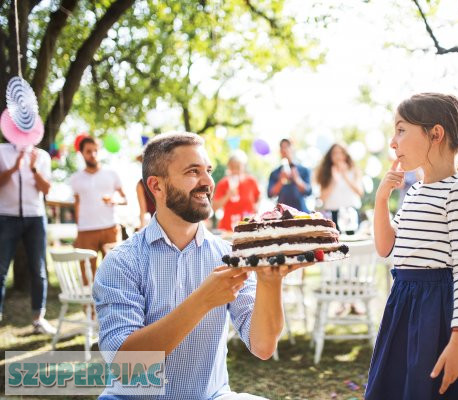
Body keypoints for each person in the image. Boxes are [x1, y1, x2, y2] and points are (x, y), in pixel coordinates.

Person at [93, 132, 303, 399]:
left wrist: (270, 282)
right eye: (193, 172)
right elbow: (127, 367)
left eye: (208, 171)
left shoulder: (230, 255)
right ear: (156, 186)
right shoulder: (122, 262)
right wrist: (203, 300)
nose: (208, 182)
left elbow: (263, 346)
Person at [365, 93, 458, 399]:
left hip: (439, 311)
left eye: (401, 130)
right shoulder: (416, 191)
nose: (393, 141)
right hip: (405, 305)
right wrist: (382, 200)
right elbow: (385, 246)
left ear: (435, 133)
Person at [0, 143, 55, 334]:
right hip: (6, 216)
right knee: (1, 270)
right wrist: (14, 167)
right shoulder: (2, 151)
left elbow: (47, 189)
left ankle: (38, 319)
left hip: (35, 218)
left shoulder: (42, 156)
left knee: (39, 270)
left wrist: (33, 168)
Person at [70, 136, 127, 280]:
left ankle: (114, 303)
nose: (93, 154)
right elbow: (76, 204)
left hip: (110, 229)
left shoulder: (112, 174)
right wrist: (78, 230)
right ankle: (89, 304)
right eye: (89, 151)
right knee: (87, 277)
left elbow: (125, 199)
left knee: (115, 275)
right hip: (85, 231)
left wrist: (115, 200)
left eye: (95, 151)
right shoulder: (75, 178)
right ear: (81, 153)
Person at [315, 143, 363, 233]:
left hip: (351, 213)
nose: (338, 156)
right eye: (335, 153)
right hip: (333, 214)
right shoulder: (325, 173)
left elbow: (360, 192)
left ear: (345, 155)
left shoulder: (353, 170)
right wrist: (334, 180)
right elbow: (322, 198)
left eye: (340, 153)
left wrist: (345, 175)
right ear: (330, 156)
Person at [213, 150, 261, 231]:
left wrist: (256, 207)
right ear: (228, 167)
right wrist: (227, 196)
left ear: (243, 167)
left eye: (238, 167)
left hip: (248, 227)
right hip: (228, 229)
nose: (235, 170)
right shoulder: (223, 183)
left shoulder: (251, 181)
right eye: (232, 167)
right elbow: (214, 207)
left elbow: (259, 196)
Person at [267, 139, 312, 213]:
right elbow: (270, 194)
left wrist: (297, 179)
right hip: (282, 214)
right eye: (282, 147)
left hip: (301, 212)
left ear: (292, 149)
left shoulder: (303, 170)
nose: (285, 150)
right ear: (280, 151)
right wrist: (280, 181)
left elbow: (308, 192)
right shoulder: (275, 173)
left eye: (287, 147)